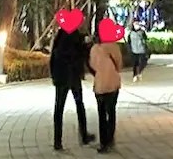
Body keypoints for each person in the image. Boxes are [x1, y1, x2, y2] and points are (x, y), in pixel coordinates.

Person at [49, 18, 91, 150]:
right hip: (73, 76)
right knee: (79, 104)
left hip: (61, 77)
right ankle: (84, 136)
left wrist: (54, 76)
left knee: (59, 108)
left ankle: (57, 141)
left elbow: (53, 57)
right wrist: (86, 45)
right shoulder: (76, 37)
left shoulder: (59, 37)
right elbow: (82, 55)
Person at [89, 25, 124, 151]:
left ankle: (103, 142)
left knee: (101, 114)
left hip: (99, 84)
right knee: (111, 112)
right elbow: (119, 65)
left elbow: (92, 65)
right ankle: (110, 139)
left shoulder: (94, 49)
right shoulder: (114, 47)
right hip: (113, 83)